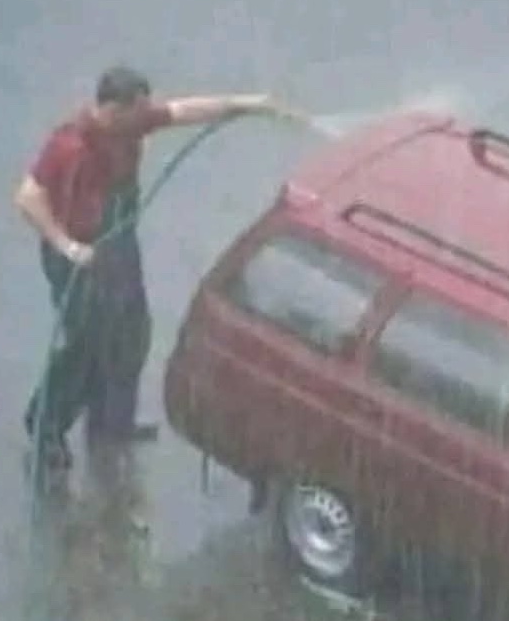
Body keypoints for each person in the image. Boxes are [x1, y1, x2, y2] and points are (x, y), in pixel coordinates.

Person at [15, 66, 304, 491]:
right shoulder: (70, 144)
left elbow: (181, 111)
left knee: (131, 333)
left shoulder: (132, 121)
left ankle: (113, 423)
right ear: (114, 109)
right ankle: (45, 428)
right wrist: (67, 246)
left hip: (115, 243)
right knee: (87, 345)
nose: (147, 116)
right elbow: (27, 196)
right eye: (139, 109)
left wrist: (244, 104)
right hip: (78, 254)